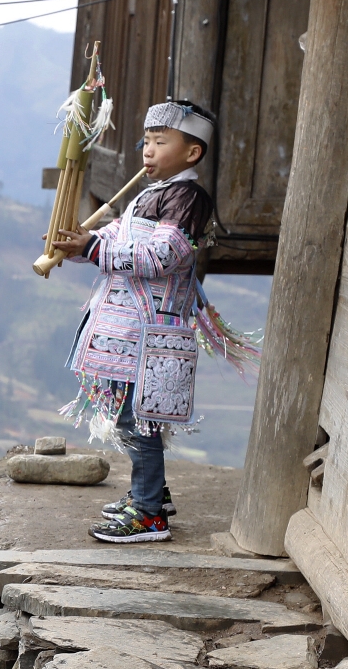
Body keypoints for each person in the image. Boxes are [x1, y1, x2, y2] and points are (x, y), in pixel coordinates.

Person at [51, 99, 246, 544]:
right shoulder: (149, 194)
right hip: (131, 333)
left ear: (192, 153)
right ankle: (151, 493)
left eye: (161, 142)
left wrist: (96, 250)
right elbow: (117, 237)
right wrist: (82, 243)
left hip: (152, 335)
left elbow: (162, 257)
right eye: (147, 142)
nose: (148, 151)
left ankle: (148, 513)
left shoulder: (187, 198)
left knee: (140, 420)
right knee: (132, 417)